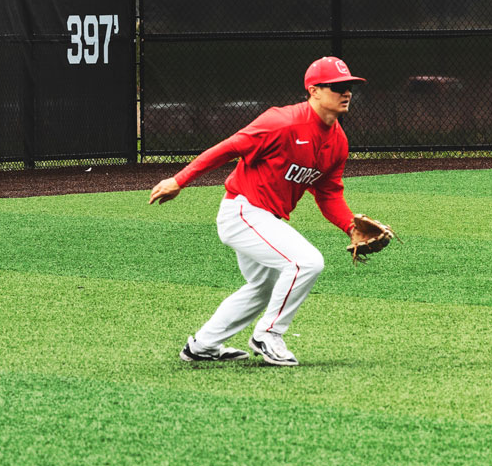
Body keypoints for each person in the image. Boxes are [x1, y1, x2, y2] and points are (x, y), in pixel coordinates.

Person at [148, 56, 365, 367]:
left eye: (349, 87)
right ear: (314, 90)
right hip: (243, 211)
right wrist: (179, 180)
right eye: (338, 86)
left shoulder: (338, 141)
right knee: (307, 262)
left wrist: (349, 226)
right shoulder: (282, 122)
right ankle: (268, 334)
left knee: (263, 287)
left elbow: (328, 193)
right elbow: (229, 147)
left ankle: (203, 345)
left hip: (264, 218)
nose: (346, 93)